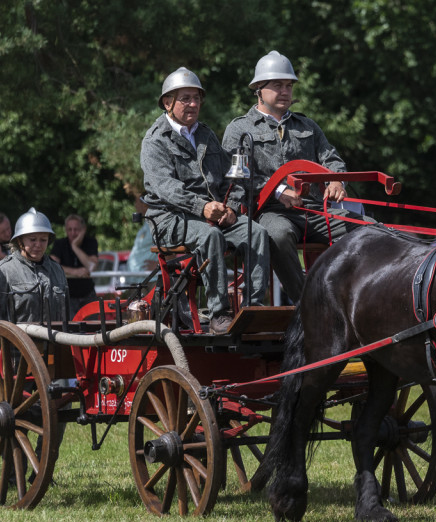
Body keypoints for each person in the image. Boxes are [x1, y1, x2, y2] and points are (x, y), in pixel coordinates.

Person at [222, 51, 358, 304]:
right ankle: (308, 304)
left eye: (289, 85)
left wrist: (336, 180)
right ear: (259, 90)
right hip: (269, 212)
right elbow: (237, 178)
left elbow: (332, 160)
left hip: (315, 210)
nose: (285, 91)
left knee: (367, 229)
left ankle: (355, 300)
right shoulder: (239, 129)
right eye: (277, 85)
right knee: (278, 235)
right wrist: (277, 191)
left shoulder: (307, 126)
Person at [141, 66, 269, 334]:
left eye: (197, 98)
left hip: (212, 214)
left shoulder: (207, 135)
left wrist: (231, 209)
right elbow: (166, 188)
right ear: (168, 103)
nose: (193, 104)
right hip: (170, 219)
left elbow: (231, 179)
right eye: (185, 98)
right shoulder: (155, 141)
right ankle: (219, 314)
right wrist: (203, 207)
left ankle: (254, 308)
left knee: (255, 231)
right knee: (211, 236)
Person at [0, 208, 70, 480]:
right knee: (18, 416)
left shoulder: (56, 271)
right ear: (20, 241)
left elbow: (65, 315)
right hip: (15, 361)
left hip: (52, 357)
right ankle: (14, 470)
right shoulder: (3, 272)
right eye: (32, 239)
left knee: (60, 409)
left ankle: (43, 469)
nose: (37, 245)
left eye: (43, 240)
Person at [50, 213, 99, 313]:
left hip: (88, 295)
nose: (73, 233)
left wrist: (75, 247)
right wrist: (74, 271)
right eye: (69, 229)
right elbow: (52, 266)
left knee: (92, 327)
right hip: (67, 296)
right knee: (69, 328)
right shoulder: (60, 244)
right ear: (66, 230)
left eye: (76, 229)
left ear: (83, 229)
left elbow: (92, 267)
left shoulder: (91, 242)